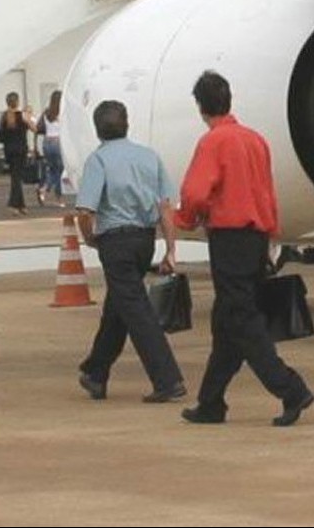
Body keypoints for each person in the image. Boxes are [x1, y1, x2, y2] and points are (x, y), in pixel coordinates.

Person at [174, 72, 312, 427]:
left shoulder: (214, 142)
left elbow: (195, 192)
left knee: (242, 320)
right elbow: (267, 192)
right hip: (256, 237)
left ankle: (289, 387)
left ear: (201, 107)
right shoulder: (255, 141)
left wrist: (185, 218)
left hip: (230, 238)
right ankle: (211, 401)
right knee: (227, 323)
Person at [75, 99, 185, 404]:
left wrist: (90, 238)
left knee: (136, 311)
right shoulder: (149, 157)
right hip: (143, 241)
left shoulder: (98, 161)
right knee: (118, 307)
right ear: (127, 124)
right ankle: (95, 372)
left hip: (115, 241)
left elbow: (85, 210)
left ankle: (168, 379)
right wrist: (170, 249)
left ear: (98, 130)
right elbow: (166, 207)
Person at [0, 93, 33, 214]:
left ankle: (21, 205)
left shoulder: (4, 117)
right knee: (17, 178)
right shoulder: (22, 116)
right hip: (21, 150)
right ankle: (14, 205)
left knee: (15, 177)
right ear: (17, 102)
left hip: (10, 151)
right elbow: (34, 128)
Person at [37, 90, 68, 207]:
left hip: (47, 143)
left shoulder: (46, 113)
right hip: (57, 142)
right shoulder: (63, 112)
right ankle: (57, 196)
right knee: (59, 171)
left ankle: (44, 188)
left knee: (52, 169)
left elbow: (39, 127)